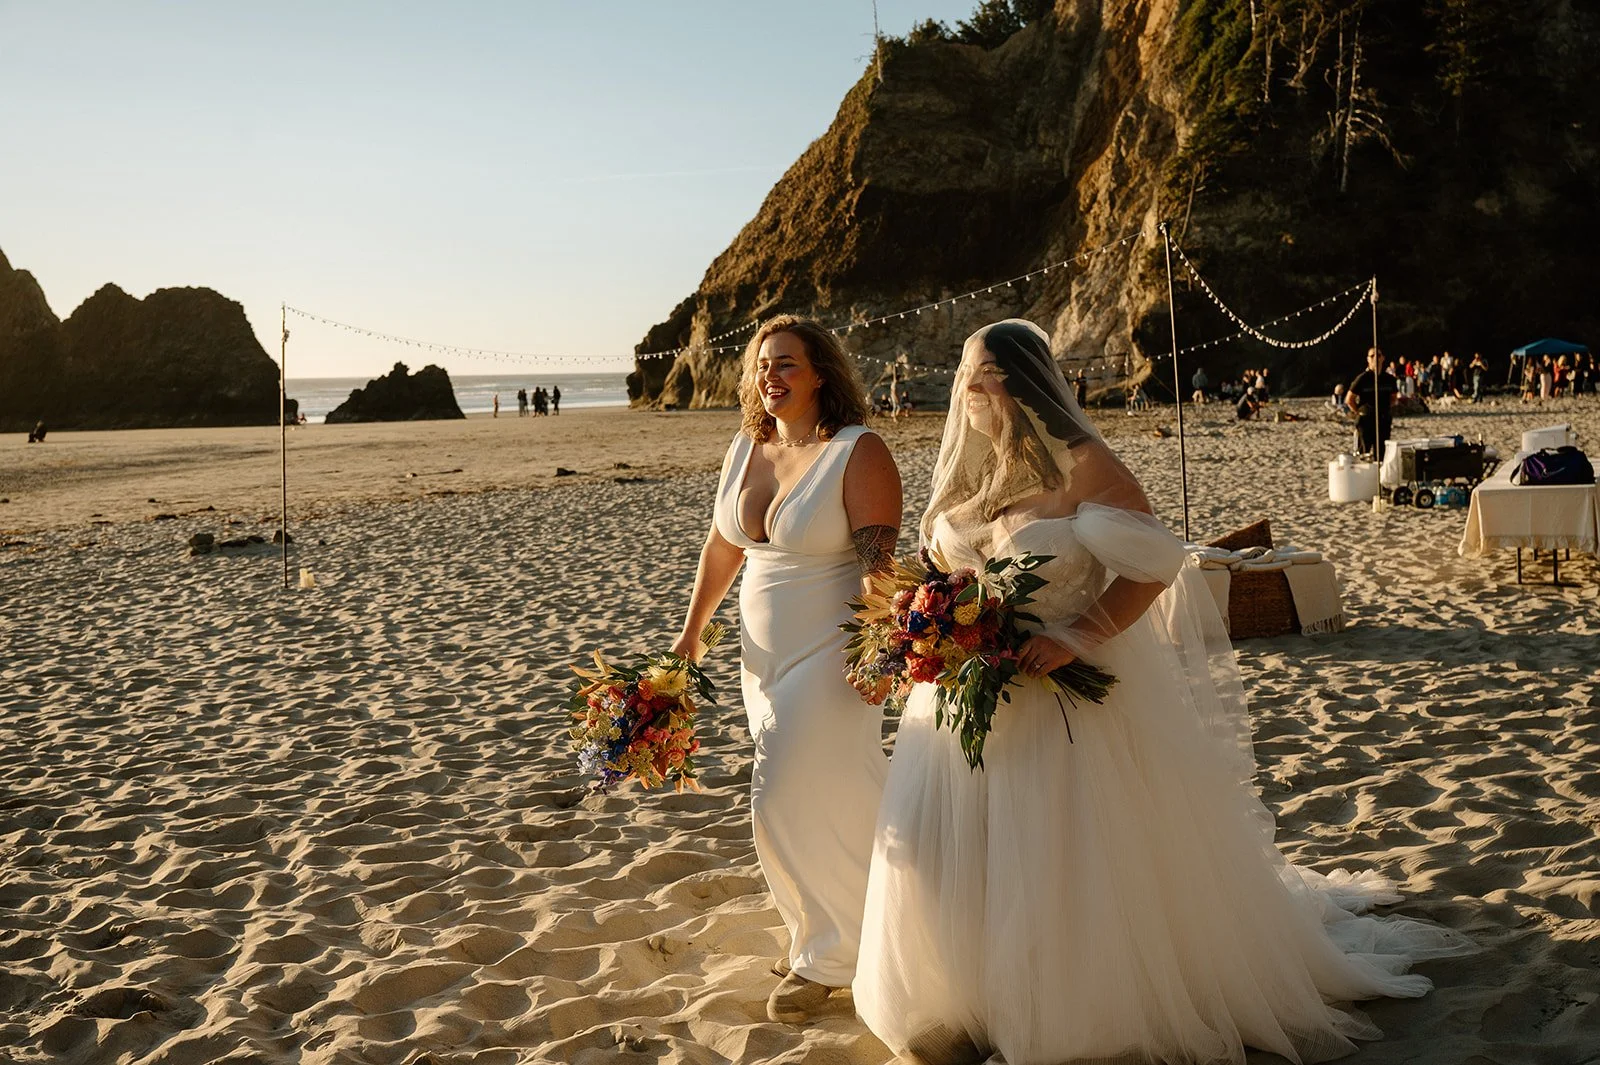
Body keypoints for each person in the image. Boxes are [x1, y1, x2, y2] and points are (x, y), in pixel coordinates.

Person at [851, 319, 1472, 1065]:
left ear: (1023, 381)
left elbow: (1154, 562)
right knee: (963, 849)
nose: (969, 387)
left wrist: (1077, 634)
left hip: (1060, 703)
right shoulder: (971, 469)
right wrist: (924, 627)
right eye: (966, 372)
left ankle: (1055, 1007)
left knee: (1056, 856)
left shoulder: (1082, 465)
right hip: (962, 703)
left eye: (985, 374)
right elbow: (940, 564)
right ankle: (966, 997)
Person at [669, 314, 902, 1024]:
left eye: (787, 364)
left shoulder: (857, 452)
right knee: (828, 796)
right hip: (759, 661)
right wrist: (690, 636)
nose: (770, 377)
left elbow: (879, 568)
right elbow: (723, 548)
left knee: (777, 795)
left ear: (821, 372)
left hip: (832, 652)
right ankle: (835, 931)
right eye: (762, 366)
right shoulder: (749, 444)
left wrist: (878, 650)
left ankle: (828, 960)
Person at [1347, 347, 1399, 459]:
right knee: (1363, 452)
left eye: (1378, 355)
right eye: (1372, 356)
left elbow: (1394, 398)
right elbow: (1349, 399)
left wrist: (1385, 408)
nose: (1375, 358)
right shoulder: (1362, 378)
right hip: (1366, 420)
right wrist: (1359, 411)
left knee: (1382, 453)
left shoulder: (1389, 379)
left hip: (1383, 419)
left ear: (1383, 358)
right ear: (1368, 359)